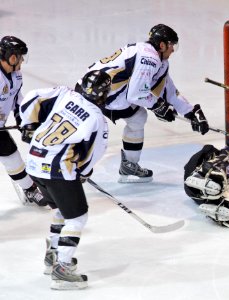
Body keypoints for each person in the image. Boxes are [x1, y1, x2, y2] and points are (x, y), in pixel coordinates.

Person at [81, 24, 209, 183]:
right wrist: (158, 106)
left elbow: (168, 91)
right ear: (162, 45)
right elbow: (136, 94)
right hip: (93, 93)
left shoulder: (158, 60)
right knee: (90, 127)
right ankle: (70, 164)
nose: (173, 50)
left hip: (109, 94)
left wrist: (191, 112)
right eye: (171, 45)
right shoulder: (149, 58)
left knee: (138, 117)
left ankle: (129, 164)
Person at [19, 70, 111, 289]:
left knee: (61, 209)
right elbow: (94, 153)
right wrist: (84, 172)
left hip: (32, 162)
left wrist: (28, 125)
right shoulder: (98, 118)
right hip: (55, 169)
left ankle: (52, 255)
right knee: (77, 217)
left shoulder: (65, 94)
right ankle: (62, 267)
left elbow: (32, 97)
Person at [0, 35, 47, 207]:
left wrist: (24, 121)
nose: (21, 60)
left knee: (11, 155)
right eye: (20, 57)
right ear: (12, 57)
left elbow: (16, 100)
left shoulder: (16, 75)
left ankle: (28, 189)